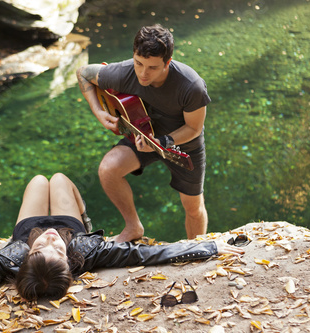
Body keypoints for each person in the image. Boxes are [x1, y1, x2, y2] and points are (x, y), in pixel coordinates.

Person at [0, 173, 244, 327]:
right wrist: (210, 246)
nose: (51, 238)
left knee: (39, 180)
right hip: (76, 225)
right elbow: (150, 255)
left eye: (43, 248)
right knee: (59, 180)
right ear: (69, 262)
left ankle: (59, 208)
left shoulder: (8, 259)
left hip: (26, 227)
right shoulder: (89, 250)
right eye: (53, 248)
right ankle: (82, 210)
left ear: (26, 258)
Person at [76, 24, 211, 242]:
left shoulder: (191, 85)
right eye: (138, 63)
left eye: (152, 67)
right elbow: (82, 74)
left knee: (193, 207)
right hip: (141, 134)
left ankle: (196, 250)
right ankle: (133, 227)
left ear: (168, 62)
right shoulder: (123, 72)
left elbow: (194, 129)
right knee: (108, 169)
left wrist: (163, 141)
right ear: (133, 55)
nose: (143, 73)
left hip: (182, 143)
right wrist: (99, 111)